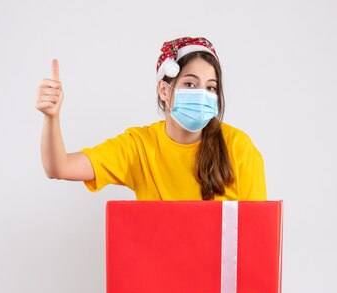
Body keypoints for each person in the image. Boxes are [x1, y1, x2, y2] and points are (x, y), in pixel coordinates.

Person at [35, 36, 266, 201]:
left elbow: (257, 238)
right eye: (190, 84)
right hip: (158, 270)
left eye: (211, 87)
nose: (202, 94)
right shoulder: (140, 146)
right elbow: (59, 167)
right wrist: (51, 117)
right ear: (164, 90)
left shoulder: (238, 148)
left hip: (218, 271)